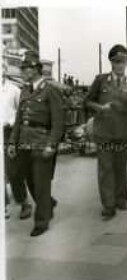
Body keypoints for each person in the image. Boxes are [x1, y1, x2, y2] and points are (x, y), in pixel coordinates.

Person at [85, 44, 127, 221]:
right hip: (103, 132)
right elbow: (87, 101)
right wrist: (99, 108)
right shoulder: (101, 80)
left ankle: (121, 198)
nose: (121, 65)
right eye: (117, 61)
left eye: (124, 62)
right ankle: (108, 205)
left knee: (120, 167)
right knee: (105, 168)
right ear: (111, 62)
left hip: (123, 132)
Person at [8, 52, 64, 237]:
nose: (23, 71)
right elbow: (18, 120)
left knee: (40, 183)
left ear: (35, 69)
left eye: (26, 68)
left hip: (42, 142)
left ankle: (42, 221)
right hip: (24, 142)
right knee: (28, 180)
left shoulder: (51, 91)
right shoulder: (25, 90)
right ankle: (47, 202)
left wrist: (51, 145)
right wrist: (12, 142)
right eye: (22, 68)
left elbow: (58, 122)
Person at [1, 63, 32, 220]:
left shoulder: (14, 91)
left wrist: (11, 124)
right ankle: (4, 206)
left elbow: (22, 113)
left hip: (9, 133)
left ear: (5, 70)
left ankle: (24, 202)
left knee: (13, 171)